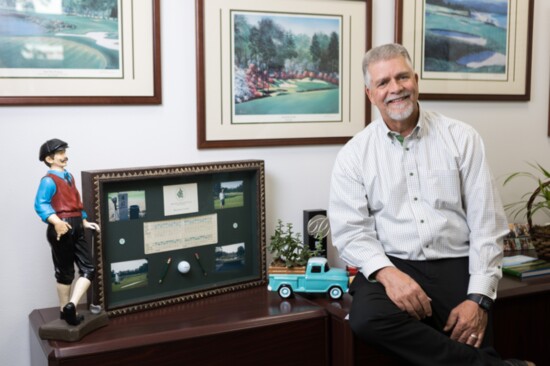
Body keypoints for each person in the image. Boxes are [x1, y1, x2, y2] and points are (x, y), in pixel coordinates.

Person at [328, 44, 534, 366]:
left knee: (469, 333)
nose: (395, 88)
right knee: (366, 319)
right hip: (393, 262)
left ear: (417, 80)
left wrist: (478, 298)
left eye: (402, 77)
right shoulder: (354, 155)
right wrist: (387, 274)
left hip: (454, 261)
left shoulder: (462, 138)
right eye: (383, 83)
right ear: (370, 94)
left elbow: (487, 224)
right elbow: (350, 231)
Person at [35, 139, 100, 326]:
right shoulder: (48, 181)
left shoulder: (69, 177)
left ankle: (71, 305)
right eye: (60, 153)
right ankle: (65, 310)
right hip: (62, 226)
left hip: (76, 223)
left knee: (88, 268)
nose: (65, 156)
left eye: (65, 152)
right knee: (65, 272)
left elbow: (76, 203)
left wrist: (85, 221)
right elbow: (41, 204)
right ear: (49, 158)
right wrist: (56, 221)